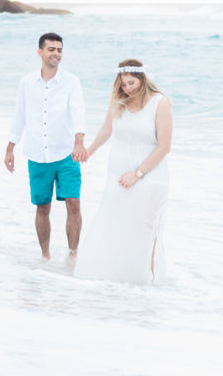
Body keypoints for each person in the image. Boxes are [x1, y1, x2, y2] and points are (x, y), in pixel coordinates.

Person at [74, 59, 172, 284]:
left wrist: (137, 174)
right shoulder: (119, 103)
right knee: (116, 224)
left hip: (150, 174)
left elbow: (164, 146)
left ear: (142, 80)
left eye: (131, 83)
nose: (127, 88)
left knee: (145, 229)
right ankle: (120, 281)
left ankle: (147, 282)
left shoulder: (160, 103)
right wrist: (89, 151)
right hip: (117, 173)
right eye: (123, 84)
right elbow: (106, 131)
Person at [5, 33, 87, 260]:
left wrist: (79, 141)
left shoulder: (72, 82)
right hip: (37, 153)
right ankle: (45, 256)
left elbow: (78, 112)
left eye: (59, 50)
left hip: (66, 152)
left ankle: (73, 254)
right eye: (51, 49)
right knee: (42, 207)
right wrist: (10, 148)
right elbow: (19, 115)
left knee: (74, 203)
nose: (56, 54)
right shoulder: (26, 82)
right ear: (40, 52)